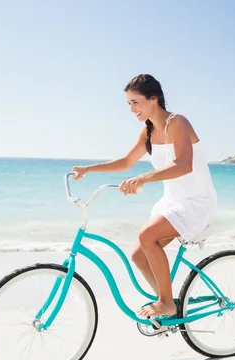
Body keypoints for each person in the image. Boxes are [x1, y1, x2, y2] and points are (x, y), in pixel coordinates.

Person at [71, 74, 217, 318]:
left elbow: (184, 165)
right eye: (128, 103)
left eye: (136, 102)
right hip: (172, 201)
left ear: (154, 99)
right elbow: (127, 162)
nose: (132, 109)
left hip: (195, 201)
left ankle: (166, 303)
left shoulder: (178, 123)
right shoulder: (147, 132)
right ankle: (169, 307)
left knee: (147, 235)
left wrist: (144, 178)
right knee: (139, 256)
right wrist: (89, 169)